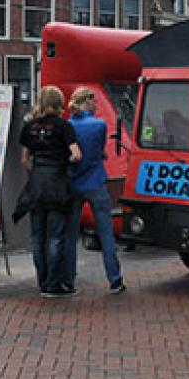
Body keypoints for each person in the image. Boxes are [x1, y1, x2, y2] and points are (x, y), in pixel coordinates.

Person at [19, 86, 81, 298]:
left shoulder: (30, 126)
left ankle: (41, 281)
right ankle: (53, 284)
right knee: (55, 237)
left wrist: (36, 172)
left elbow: (24, 159)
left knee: (37, 237)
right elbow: (76, 154)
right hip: (57, 184)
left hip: (36, 184)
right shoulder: (64, 126)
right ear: (59, 102)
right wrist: (65, 162)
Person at [67, 87, 126, 295]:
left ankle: (68, 279)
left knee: (70, 234)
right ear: (89, 101)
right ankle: (115, 279)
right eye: (95, 102)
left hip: (74, 183)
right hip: (96, 182)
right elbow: (99, 150)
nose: (97, 106)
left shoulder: (69, 126)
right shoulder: (99, 125)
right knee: (106, 234)